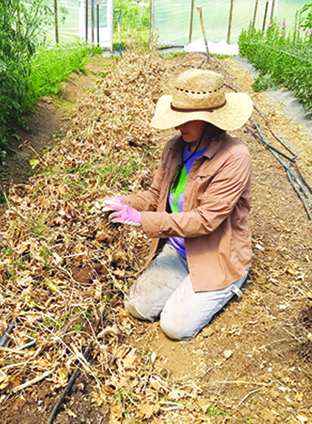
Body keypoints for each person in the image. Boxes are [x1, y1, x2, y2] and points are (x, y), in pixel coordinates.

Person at [103, 68, 254, 341]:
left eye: (186, 119)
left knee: (173, 326)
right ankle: (185, 285)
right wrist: (123, 203)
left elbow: (205, 220)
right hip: (179, 247)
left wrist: (141, 220)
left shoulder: (234, 157)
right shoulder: (174, 147)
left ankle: (228, 283)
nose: (177, 126)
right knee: (137, 307)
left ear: (208, 120)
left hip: (215, 254)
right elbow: (154, 195)